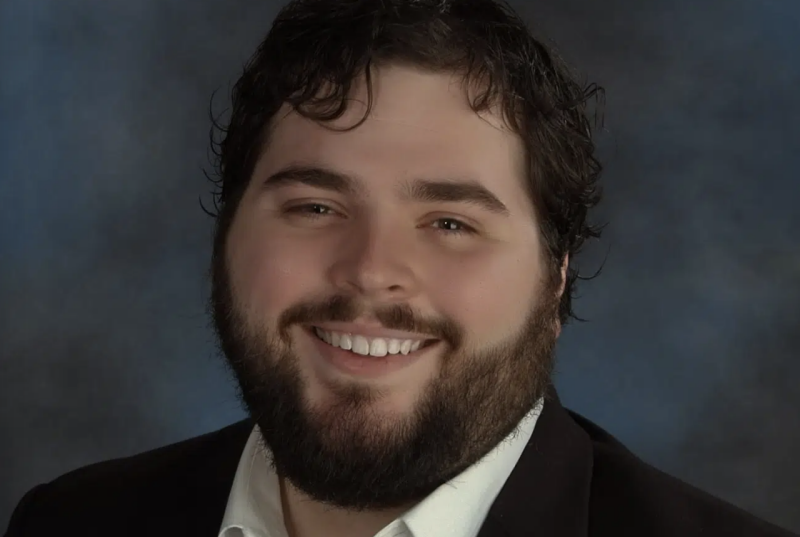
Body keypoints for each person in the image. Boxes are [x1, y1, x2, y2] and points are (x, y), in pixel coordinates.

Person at [5, 0, 796, 536]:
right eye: (315, 206)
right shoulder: (71, 521)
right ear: (227, 233)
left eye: (450, 223)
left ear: (556, 278)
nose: (371, 272)